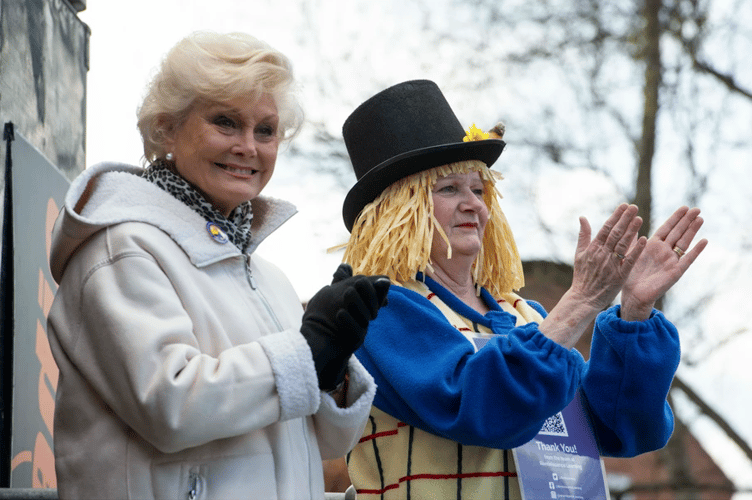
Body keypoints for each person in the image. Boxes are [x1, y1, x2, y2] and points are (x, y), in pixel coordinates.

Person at [46, 31, 389, 500]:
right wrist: (307, 351)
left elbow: (327, 443)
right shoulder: (122, 249)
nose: (249, 146)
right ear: (166, 129)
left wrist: (330, 373)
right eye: (226, 122)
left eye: (265, 130)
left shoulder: (271, 278)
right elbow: (170, 406)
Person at [338, 80, 707, 499]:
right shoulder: (378, 310)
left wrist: (634, 312)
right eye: (449, 188)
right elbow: (478, 406)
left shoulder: (526, 315)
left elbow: (620, 429)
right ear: (396, 209)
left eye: (478, 190)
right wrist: (580, 302)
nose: (474, 204)